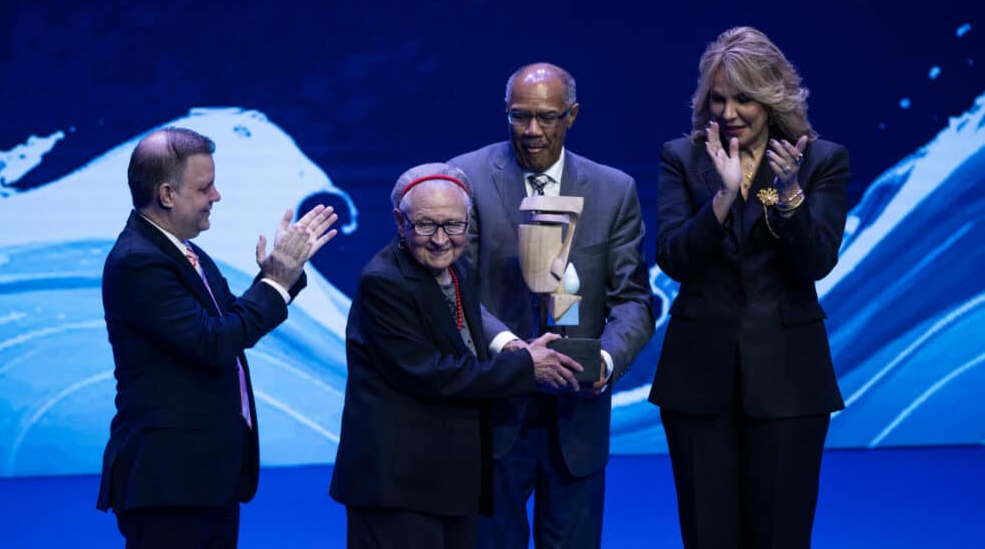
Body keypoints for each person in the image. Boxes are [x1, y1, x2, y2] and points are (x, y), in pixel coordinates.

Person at [649, 26, 850, 548]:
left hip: (789, 380)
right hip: (697, 381)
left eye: (744, 98)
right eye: (718, 98)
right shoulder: (682, 157)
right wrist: (720, 197)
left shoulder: (820, 160)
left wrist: (789, 198)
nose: (730, 112)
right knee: (708, 535)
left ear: (772, 96)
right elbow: (672, 257)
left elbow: (816, 262)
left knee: (780, 535)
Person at [96, 127, 338, 548]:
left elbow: (230, 321)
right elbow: (214, 342)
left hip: (205, 477)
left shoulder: (182, 250)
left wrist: (278, 275)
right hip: (169, 482)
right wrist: (275, 282)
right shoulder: (138, 261)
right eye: (205, 187)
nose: (217, 196)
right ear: (167, 194)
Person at [450, 63, 654, 548]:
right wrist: (513, 352)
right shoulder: (468, 177)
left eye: (546, 117)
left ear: (572, 115)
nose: (532, 131)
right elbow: (455, 289)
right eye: (519, 117)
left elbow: (633, 300)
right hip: (498, 406)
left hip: (577, 415)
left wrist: (604, 361)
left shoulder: (613, 190)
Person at [329, 163, 584, 549]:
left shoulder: (456, 268)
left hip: (447, 480)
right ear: (400, 222)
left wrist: (519, 348)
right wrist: (526, 365)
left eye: (453, 225)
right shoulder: (384, 281)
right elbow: (432, 373)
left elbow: (468, 342)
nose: (440, 240)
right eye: (426, 225)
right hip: (398, 486)